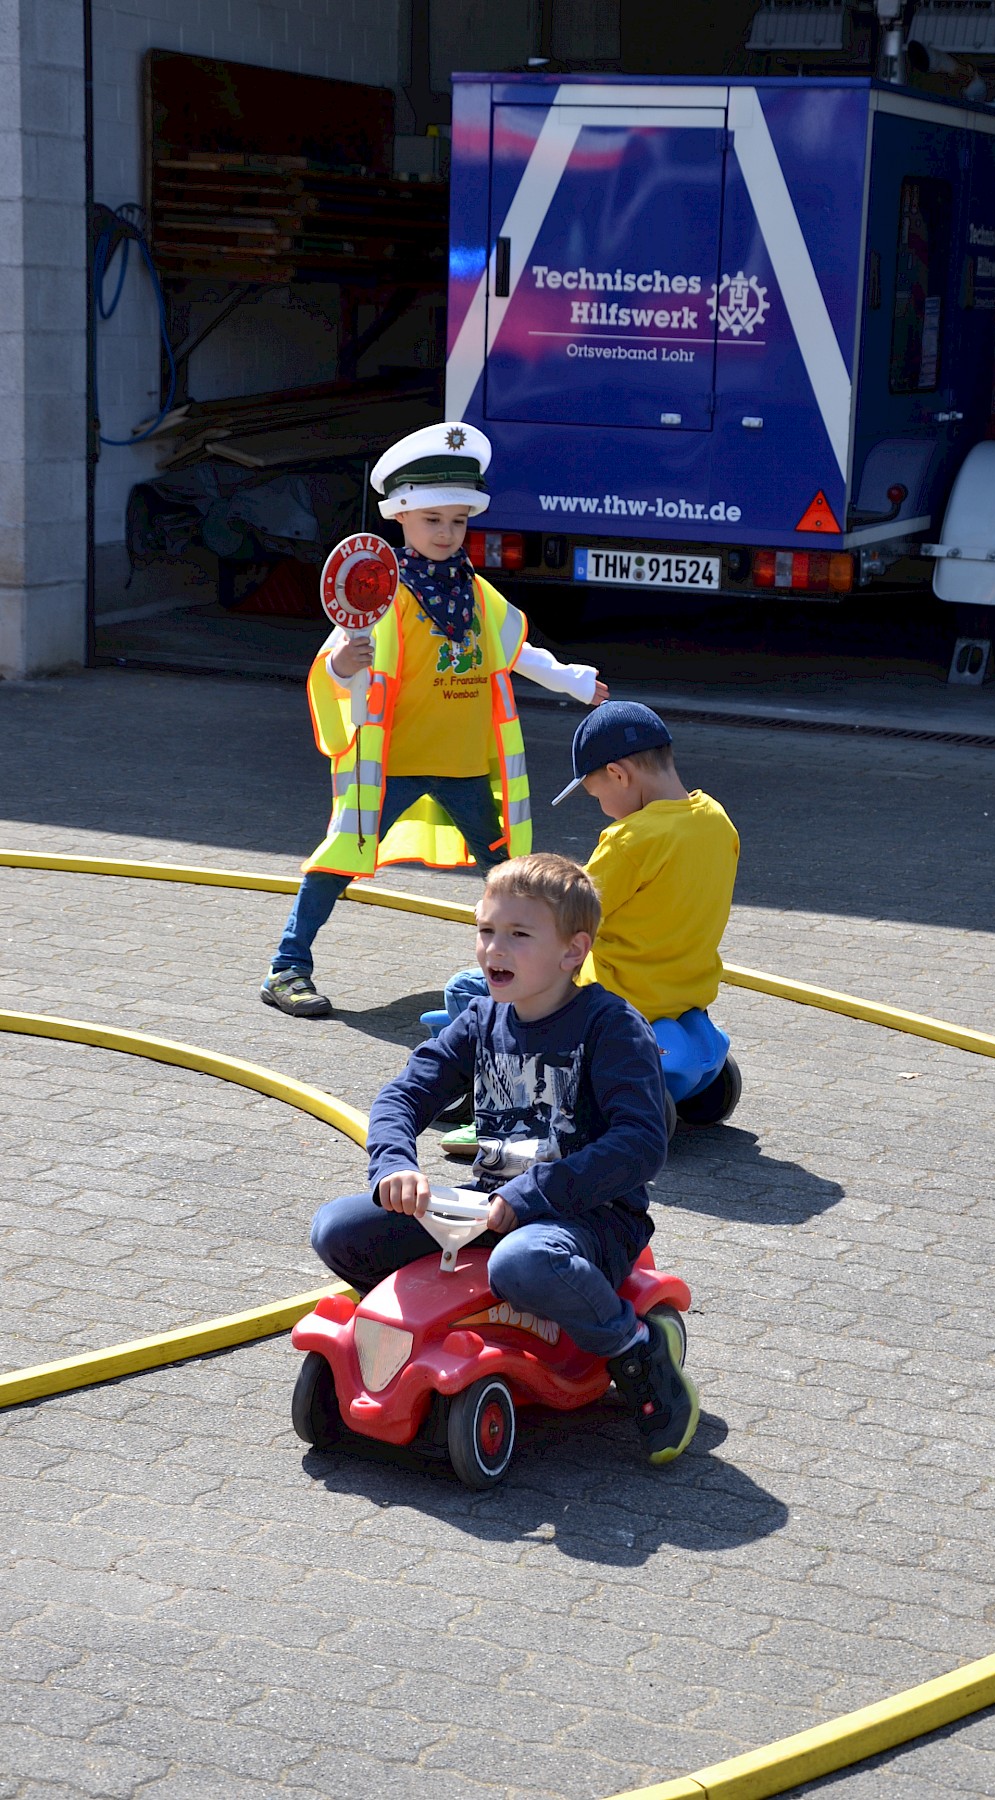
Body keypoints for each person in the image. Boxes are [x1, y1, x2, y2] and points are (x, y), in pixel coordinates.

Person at [308, 852, 700, 1465]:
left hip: (587, 1217)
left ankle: (634, 1350)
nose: (496, 949)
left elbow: (639, 1145)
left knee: (525, 1262)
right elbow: (405, 1093)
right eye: (487, 931)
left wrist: (528, 1198)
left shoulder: (609, 1027)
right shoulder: (482, 1020)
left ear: (573, 952)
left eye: (519, 935)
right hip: (486, 1203)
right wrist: (393, 1166)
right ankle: (405, 1337)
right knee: (338, 1230)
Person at [261, 420, 607, 1018]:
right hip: (391, 766)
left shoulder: (476, 594)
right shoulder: (377, 589)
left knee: (512, 875)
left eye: (458, 521)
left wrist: (574, 680)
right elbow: (337, 665)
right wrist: (345, 662)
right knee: (340, 857)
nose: (447, 533)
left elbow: (518, 651)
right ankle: (288, 968)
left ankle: (542, 977)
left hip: (466, 767)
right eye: (433, 520)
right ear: (399, 516)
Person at [440, 701, 739, 1151]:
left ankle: (507, 1108)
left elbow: (566, 916)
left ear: (619, 774)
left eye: (597, 794)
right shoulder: (717, 820)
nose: (602, 808)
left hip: (619, 993)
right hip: (685, 989)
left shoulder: (631, 840)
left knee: (469, 989)